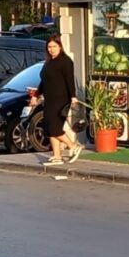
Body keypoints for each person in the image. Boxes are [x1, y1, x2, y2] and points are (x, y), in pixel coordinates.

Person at [30, 34, 81, 166]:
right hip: (49, 98)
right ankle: (57, 155)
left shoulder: (65, 61)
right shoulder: (48, 62)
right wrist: (36, 95)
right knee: (48, 127)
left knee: (55, 128)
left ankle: (72, 145)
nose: (52, 49)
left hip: (61, 98)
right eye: (49, 47)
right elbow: (43, 81)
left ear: (60, 46)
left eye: (54, 46)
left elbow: (69, 80)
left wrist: (73, 96)